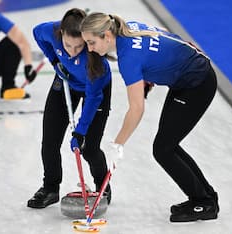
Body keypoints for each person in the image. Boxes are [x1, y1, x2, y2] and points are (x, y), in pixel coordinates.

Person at [80, 13, 219, 222]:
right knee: (169, 146)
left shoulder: (128, 59)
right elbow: (163, 40)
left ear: (107, 35)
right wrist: (149, 76)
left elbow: (136, 109)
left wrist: (118, 144)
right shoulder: (129, 27)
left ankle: (203, 202)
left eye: (91, 42)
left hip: (197, 83)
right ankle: (206, 197)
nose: (90, 49)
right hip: (186, 78)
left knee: (163, 149)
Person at [26, 8, 112, 209]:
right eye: (67, 45)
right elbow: (37, 32)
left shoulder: (96, 63)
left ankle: (103, 186)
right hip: (65, 82)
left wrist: (80, 132)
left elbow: (92, 98)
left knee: (89, 149)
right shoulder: (52, 31)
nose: (72, 51)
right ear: (61, 34)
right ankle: (50, 188)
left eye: (79, 46)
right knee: (50, 140)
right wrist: (55, 60)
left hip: (95, 90)